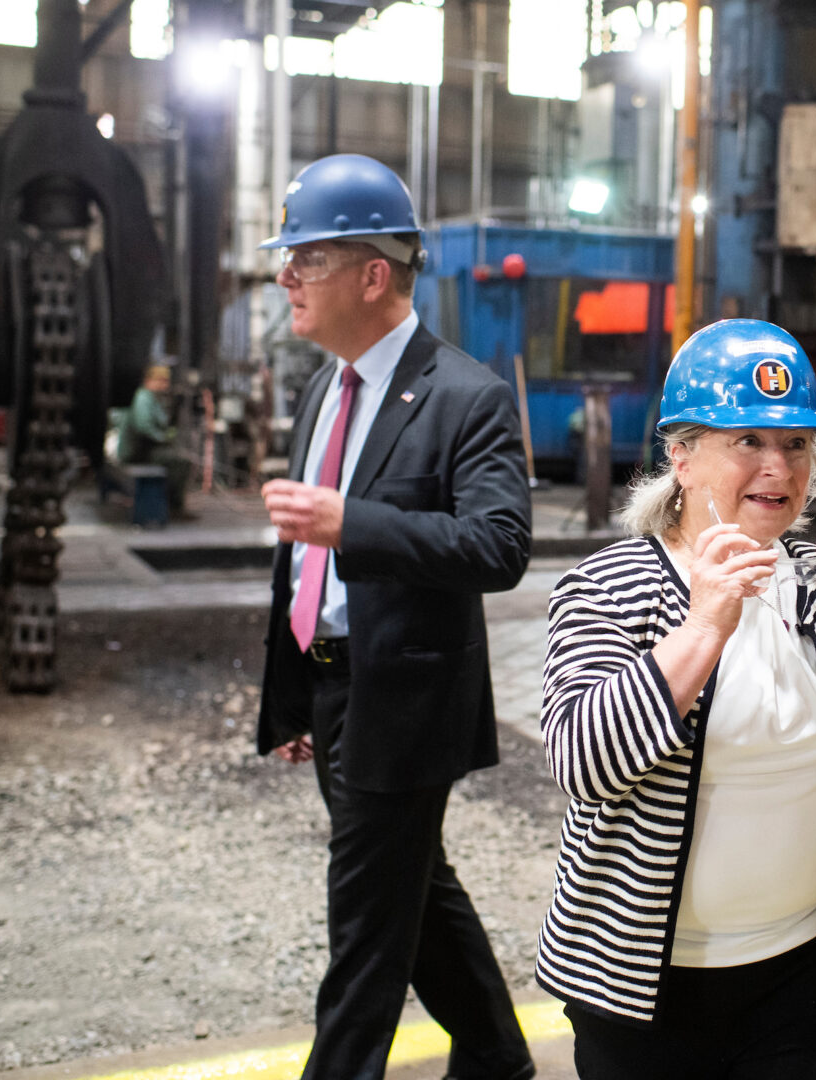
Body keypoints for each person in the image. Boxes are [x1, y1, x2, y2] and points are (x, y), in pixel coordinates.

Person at [536, 319, 816, 1079]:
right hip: (646, 991)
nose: (778, 466)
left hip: (809, 975)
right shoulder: (611, 589)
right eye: (748, 441)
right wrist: (703, 626)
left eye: (795, 444)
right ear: (682, 455)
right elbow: (583, 762)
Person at [253, 153, 536, 1080]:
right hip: (339, 689)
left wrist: (354, 523)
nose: (285, 276)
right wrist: (300, 688)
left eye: (308, 259)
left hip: (407, 704)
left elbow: (498, 547)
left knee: (366, 937)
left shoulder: (466, 397)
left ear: (375, 275)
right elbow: (305, 565)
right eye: (287, 257)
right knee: (415, 890)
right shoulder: (323, 388)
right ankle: (496, 1055)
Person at [117, 362, 194, 517]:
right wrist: (164, 438)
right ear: (149, 380)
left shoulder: (152, 399)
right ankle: (173, 505)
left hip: (144, 450)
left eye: (166, 381)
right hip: (136, 452)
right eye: (161, 380)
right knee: (181, 462)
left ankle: (168, 501)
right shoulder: (142, 397)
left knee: (178, 456)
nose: (164, 385)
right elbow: (144, 428)